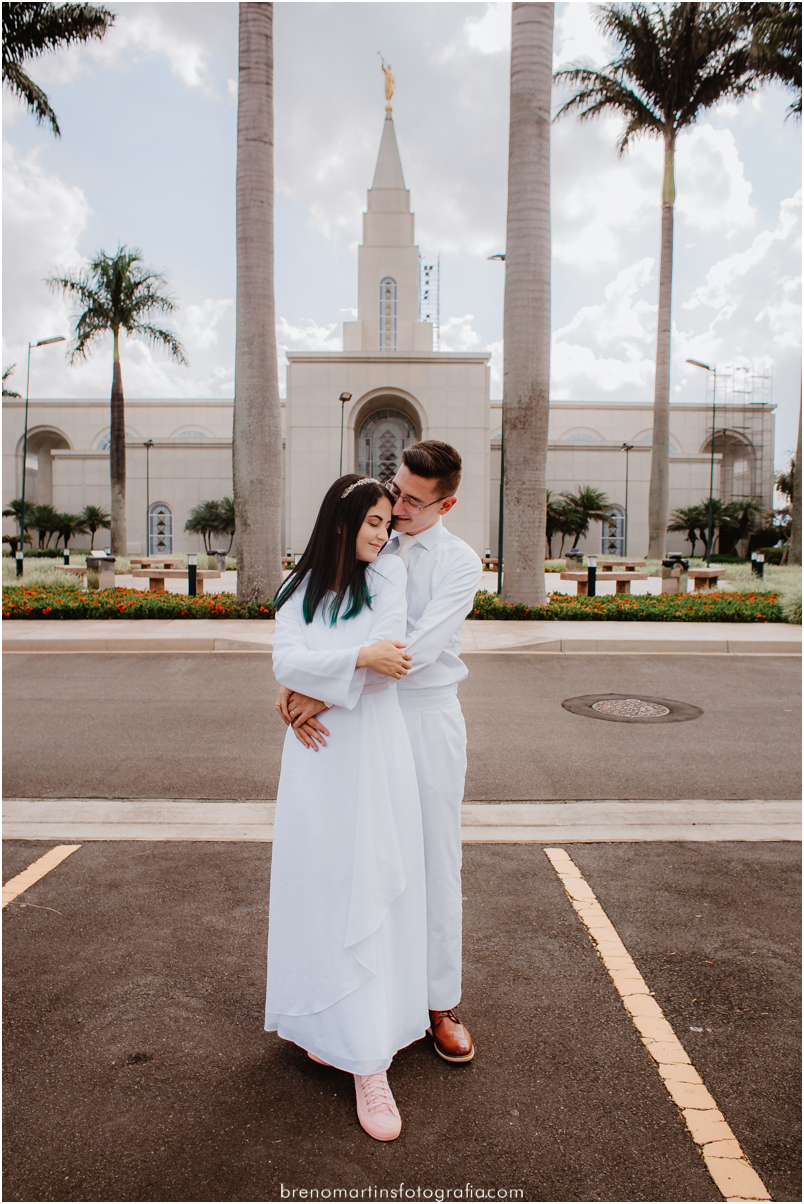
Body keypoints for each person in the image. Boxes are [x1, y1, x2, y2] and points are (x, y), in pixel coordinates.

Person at [278, 441, 483, 1065]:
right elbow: (325, 624)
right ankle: (375, 999)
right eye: (396, 491)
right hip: (366, 721)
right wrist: (303, 688)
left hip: (426, 716)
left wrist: (320, 694)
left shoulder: (460, 563)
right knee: (369, 860)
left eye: (414, 502)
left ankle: (438, 1003)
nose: (397, 509)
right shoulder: (374, 538)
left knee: (433, 859)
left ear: (446, 503)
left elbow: (411, 653)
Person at [265, 474, 428, 1143]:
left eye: (389, 524)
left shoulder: (388, 581)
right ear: (341, 521)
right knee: (321, 886)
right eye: (373, 524)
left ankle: (370, 1061)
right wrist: (347, 661)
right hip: (316, 761)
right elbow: (287, 657)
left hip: (370, 754)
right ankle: (324, 1025)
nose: (384, 534)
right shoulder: (296, 589)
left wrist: (317, 688)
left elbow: (392, 663)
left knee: (369, 886)